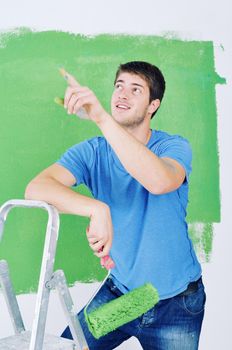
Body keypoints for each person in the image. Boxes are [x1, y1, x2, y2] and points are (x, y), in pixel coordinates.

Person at [25, 61, 206, 349]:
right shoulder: (93, 152)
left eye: (136, 89)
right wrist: (96, 208)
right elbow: (36, 188)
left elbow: (159, 181)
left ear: (152, 105)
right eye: (119, 86)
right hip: (124, 298)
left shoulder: (173, 147)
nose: (123, 94)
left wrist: (100, 117)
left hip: (177, 305)